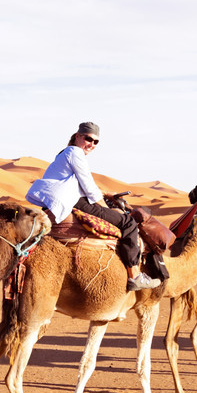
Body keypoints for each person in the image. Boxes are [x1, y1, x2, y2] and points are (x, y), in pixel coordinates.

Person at [25, 122, 160, 292]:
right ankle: (134, 275)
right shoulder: (75, 152)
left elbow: (81, 183)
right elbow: (88, 187)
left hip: (61, 200)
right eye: (88, 138)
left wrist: (106, 193)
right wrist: (107, 209)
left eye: (96, 142)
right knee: (128, 223)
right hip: (71, 201)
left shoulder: (64, 153)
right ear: (78, 136)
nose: (92, 144)